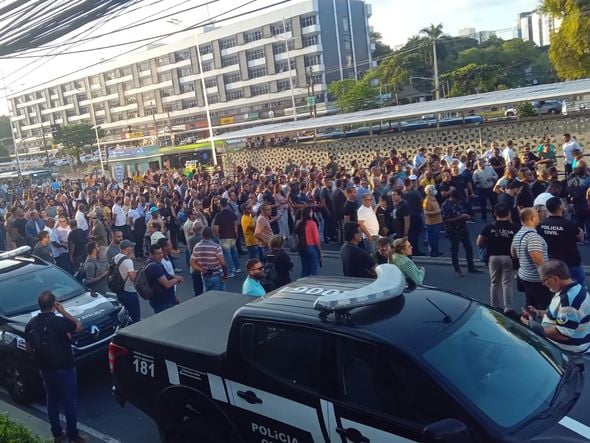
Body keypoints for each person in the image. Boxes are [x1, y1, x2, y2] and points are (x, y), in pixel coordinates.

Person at [25, 291, 85, 443]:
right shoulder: (59, 321)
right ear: (53, 304)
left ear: (39, 305)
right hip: (65, 366)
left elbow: (28, 347)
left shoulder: (31, 324)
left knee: (52, 400)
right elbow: (78, 326)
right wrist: (63, 311)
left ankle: (57, 434)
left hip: (45, 368)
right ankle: (73, 435)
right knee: (69, 401)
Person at [521, 260, 590, 354]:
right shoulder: (574, 287)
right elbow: (560, 314)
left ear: (555, 279)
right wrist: (539, 312)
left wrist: (532, 326)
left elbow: (562, 334)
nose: (543, 284)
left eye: (544, 280)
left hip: (566, 350)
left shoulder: (569, 303)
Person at [477, 204, 518, 312]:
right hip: (509, 257)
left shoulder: (489, 227)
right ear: (509, 213)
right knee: (507, 283)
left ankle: (494, 306)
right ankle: (508, 307)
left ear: (495, 214)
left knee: (494, 282)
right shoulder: (514, 227)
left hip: (493, 257)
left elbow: (479, 242)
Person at [538, 197, 585, 286]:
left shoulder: (541, 224)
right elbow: (580, 238)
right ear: (560, 207)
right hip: (571, 262)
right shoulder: (569, 224)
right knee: (578, 287)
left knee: (556, 288)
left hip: (551, 262)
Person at [511, 207, 552, 310]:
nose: (539, 217)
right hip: (536, 279)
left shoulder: (518, 234)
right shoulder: (533, 237)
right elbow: (537, 259)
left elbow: (513, 254)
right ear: (532, 218)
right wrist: (545, 277)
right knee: (545, 306)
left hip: (524, 275)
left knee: (530, 304)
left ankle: (527, 322)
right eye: (537, 215)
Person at [441, 189, 480, 276]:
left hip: (462, 228)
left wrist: (466, 216)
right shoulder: (445, 205)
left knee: (469, 248)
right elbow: (445, 220)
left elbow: (462, 211)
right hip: (452, 230)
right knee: (454, 250)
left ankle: (471, 266)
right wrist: (459, 217)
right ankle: (457, 269)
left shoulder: (459, 203)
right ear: (452, 197)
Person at [145, 244, 183, 313]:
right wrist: (177, 279)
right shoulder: (155, 267)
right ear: (151, 254)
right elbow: (167, 284)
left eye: (161, 253)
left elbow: (165, 276)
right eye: (157, 254)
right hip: (163, 302)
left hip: (161, 300)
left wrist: (174, 277)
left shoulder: (153, 263)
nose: (160, 255)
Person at [191, 227, 228, 292]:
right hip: (217, 275)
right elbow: (223, 263)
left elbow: (192, 262)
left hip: (205, 275)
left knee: (207, 296)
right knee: (218, 296)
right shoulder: (216, 247)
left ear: (202, 235)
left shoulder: (197, 247)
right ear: (211, 235)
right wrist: (225, 275)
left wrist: (202, 269)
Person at [113, 239, 140, 323]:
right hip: (129, 292)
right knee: (135, 316)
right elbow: (132, 277)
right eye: (131, 247)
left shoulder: (116, 257)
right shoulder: (128, 261)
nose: (132, 248)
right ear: (126, 248)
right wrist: (139, 273)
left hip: (119, 290)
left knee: (125, 315)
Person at [213, 198, 241, 277]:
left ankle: (230, 271)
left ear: (220, 204)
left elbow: (216, 228)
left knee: (227, 254)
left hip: (224, 237)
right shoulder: (232, 214)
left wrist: (217, 235)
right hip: (232, 236)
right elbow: (235, 225)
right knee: (234, 252)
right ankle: (238, 267)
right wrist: (236, 235)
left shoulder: (218, 215)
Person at [294, 206, 322, 277]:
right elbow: (316, 239)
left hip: (302, 247)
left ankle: (303, 283)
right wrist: (320, 251)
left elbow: (296, 235)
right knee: (314, 269)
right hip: (311, 247)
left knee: (305, 268)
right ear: (309, 213)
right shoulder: (312, 224)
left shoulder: (298, 223)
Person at [422, 184, 443, 257]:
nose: (435, 190)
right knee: (432, 238)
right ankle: (432, 252)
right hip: (431, 222)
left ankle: (436, 251)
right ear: (429, 191)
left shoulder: (433, 198)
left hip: (437, 221)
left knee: (436, 237)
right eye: (433, 189)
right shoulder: (427, 200)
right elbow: (426, 212)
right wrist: (437, 212)